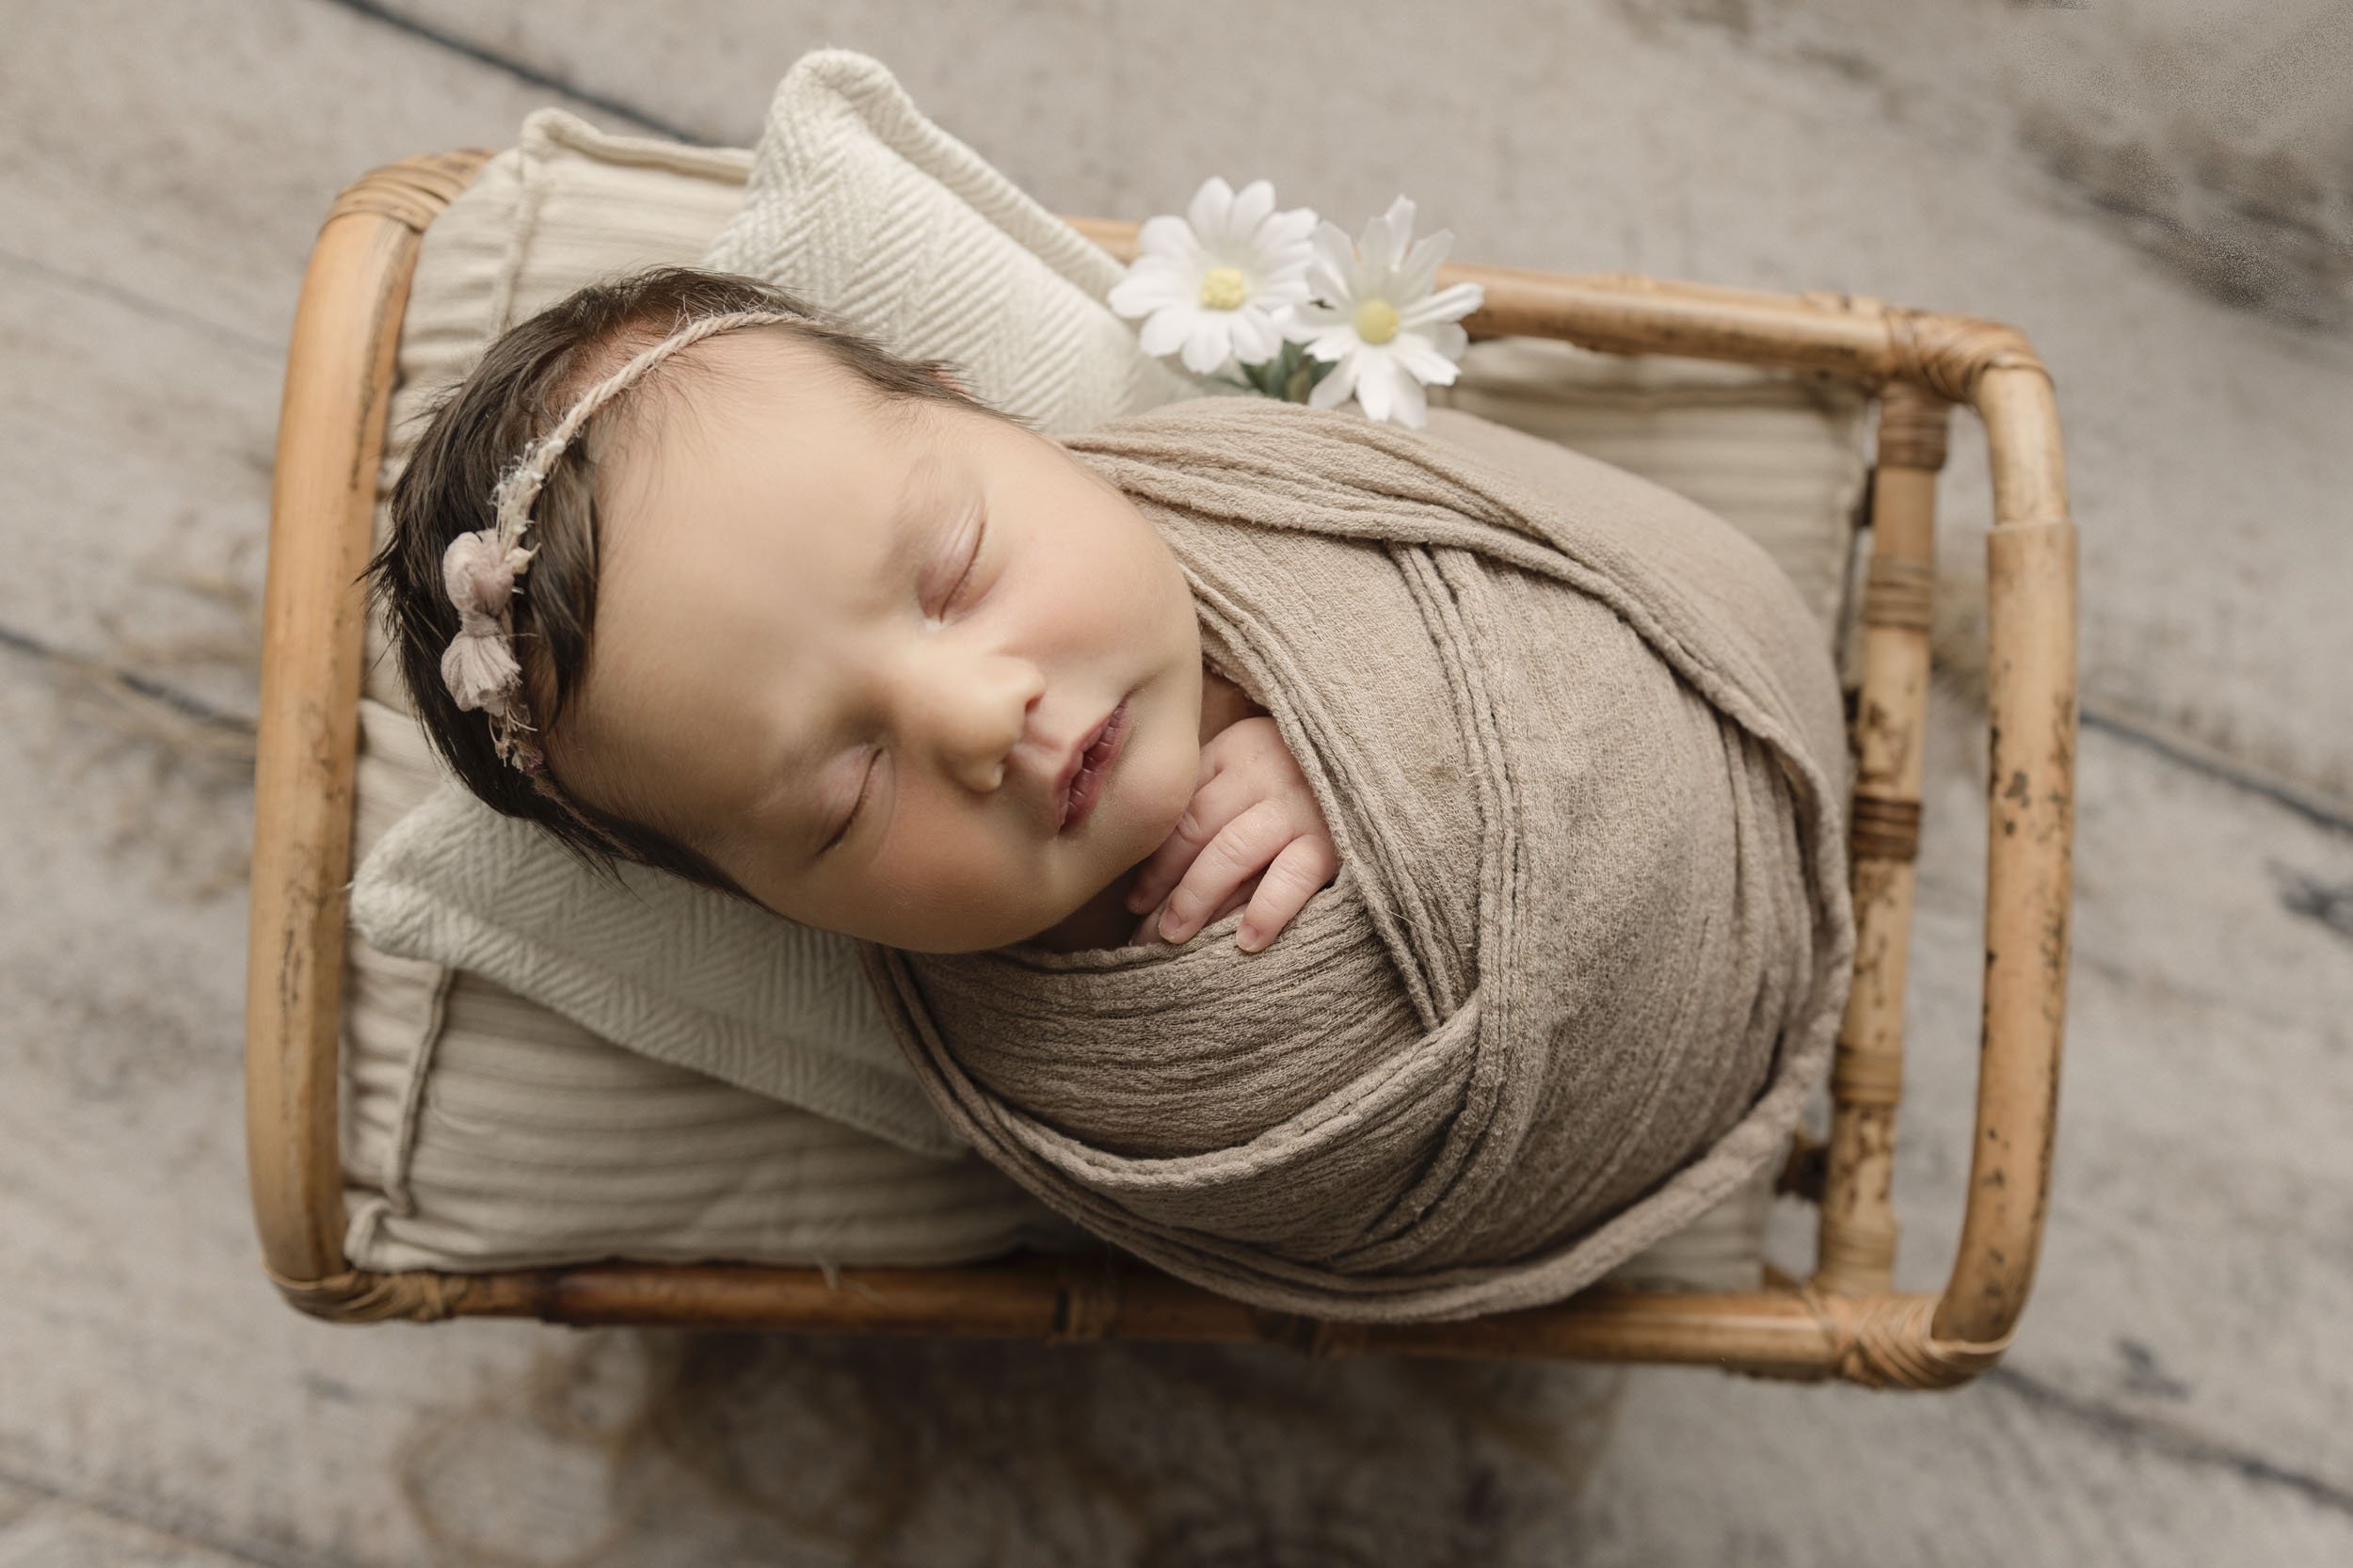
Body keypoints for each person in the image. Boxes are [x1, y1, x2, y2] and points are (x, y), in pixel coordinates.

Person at [368, 266, 1340, 957]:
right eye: (849, 794)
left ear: (980, 412)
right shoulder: (1051, 1084)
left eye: (955, 577)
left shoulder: (1300, 495)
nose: (981, 717)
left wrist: (1369, 758)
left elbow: (1490, 529)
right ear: (757, 898)